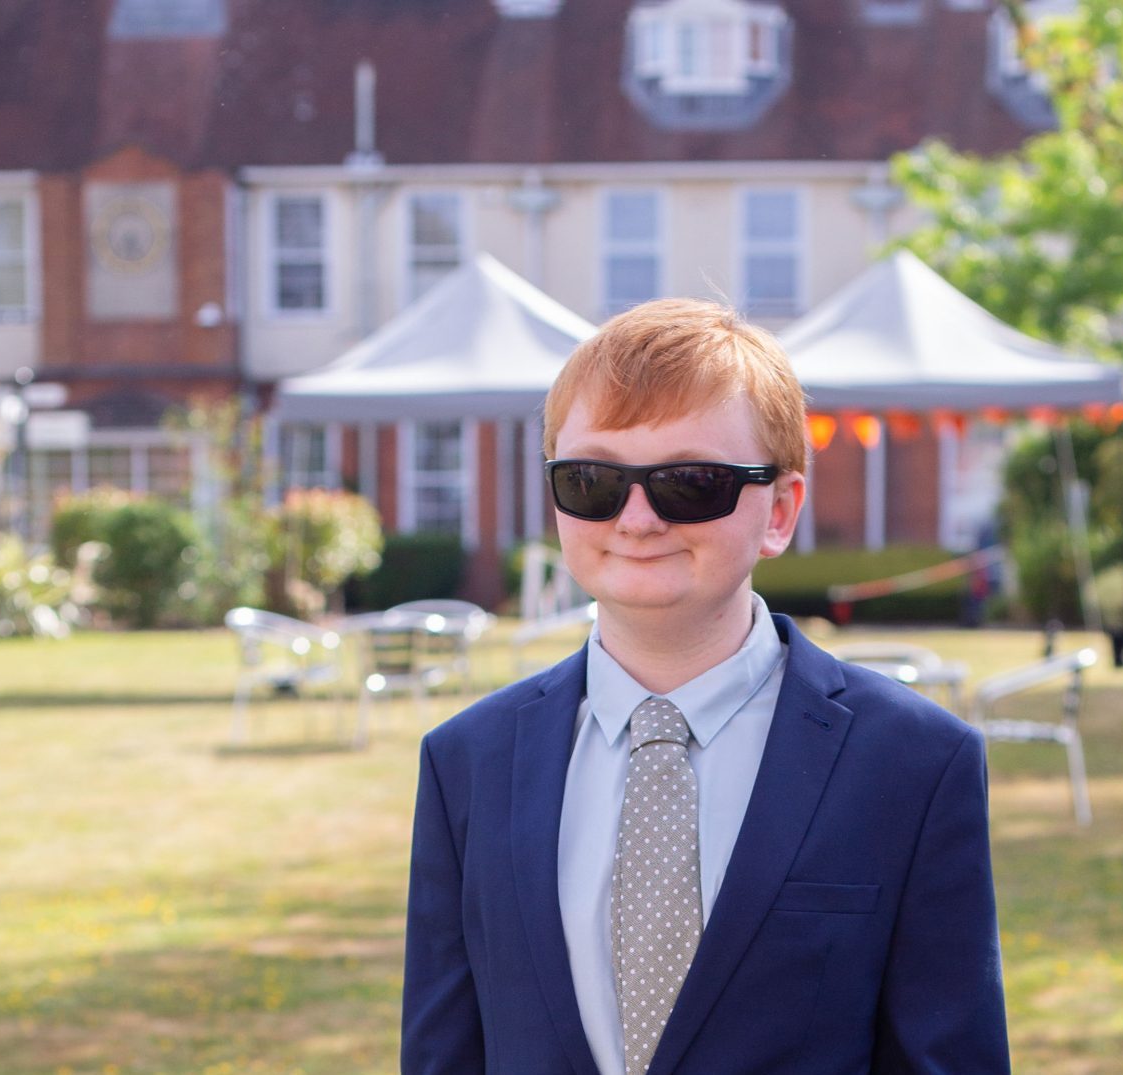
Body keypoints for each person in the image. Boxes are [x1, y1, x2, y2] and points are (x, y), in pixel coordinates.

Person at [400, 298, 1010, 1074]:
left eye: (690, 481)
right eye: (591, 479)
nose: (638, 517)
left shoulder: (913, 762)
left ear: (780, 510)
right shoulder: (467, 762)